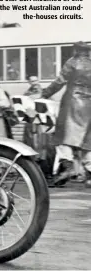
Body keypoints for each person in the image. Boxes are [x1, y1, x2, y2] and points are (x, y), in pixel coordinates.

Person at [42, 41, 91, 188]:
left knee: (64, 136)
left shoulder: (72, 62)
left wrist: (45, 93)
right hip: (89, 104)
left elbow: (60, 81)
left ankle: (66, 167)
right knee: (86, 140)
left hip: (72, 102)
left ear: (76, 50)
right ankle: (90, 170)